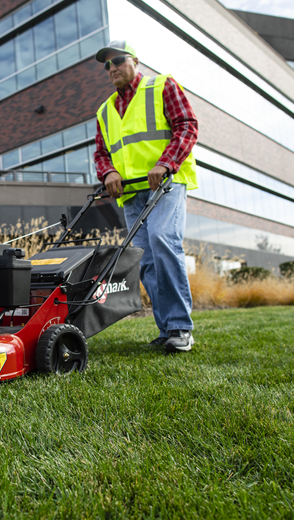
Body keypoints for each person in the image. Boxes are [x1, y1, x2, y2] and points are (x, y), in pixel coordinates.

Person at [93, 39, 199, 352]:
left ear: (135, 61)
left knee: (164, 240)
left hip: (166, 183)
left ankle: (181, 327)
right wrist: (109, 173)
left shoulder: (162, 87)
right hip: (132, 193)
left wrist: (165, 162)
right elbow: (101, 153)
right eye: (107, 65)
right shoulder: (105, 110)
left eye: (118, 61)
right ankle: (168, 330)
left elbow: (187, 126)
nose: (112, 68)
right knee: (145, 261)